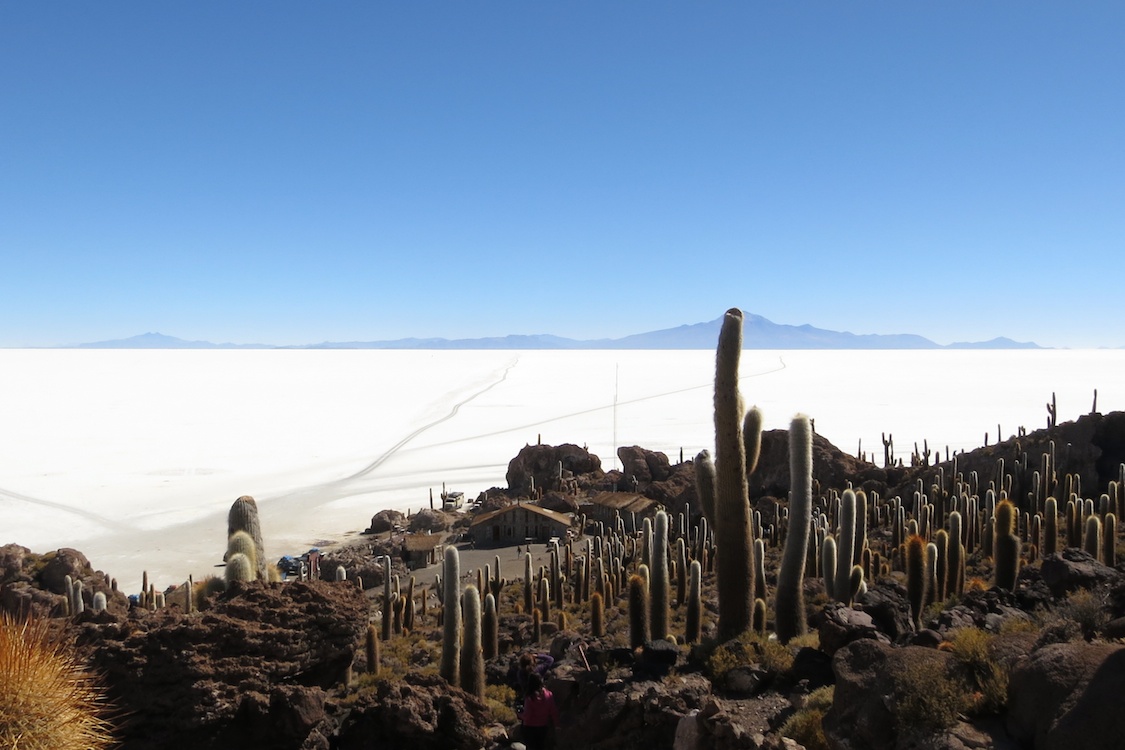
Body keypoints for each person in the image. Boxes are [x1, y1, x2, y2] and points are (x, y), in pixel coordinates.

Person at [520, 672, 558, 750]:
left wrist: (519, 714)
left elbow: (527, 716)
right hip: (543, 727)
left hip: (529, 728)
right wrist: (557, 724)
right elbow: (553, 711)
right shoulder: (549, 695)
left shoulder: (530, 698)